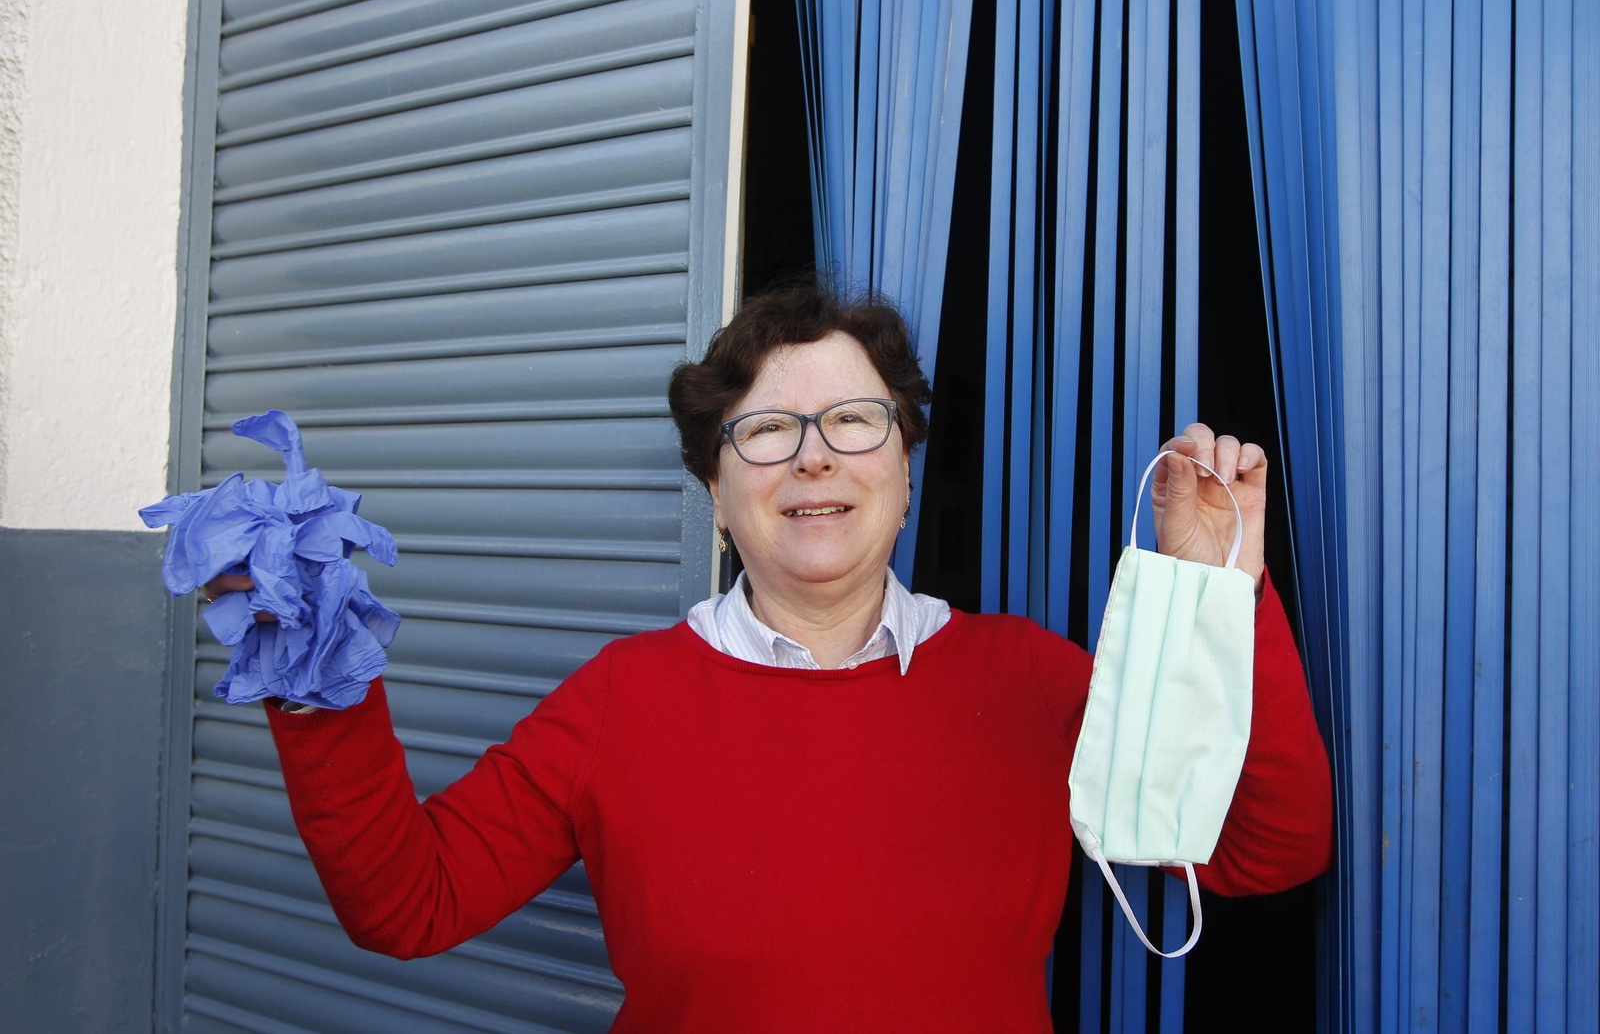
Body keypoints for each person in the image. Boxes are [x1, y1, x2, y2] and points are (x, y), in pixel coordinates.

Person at [205, 281, 1332, 1033]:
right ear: (716, 487)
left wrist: (1224, 587)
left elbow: (1264, 853)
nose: (812, 457)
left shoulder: (1030, 680)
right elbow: (409, 904)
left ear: (901, 466)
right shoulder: (622, 700)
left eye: (854, 420)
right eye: (764, 429)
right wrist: (318, 680)